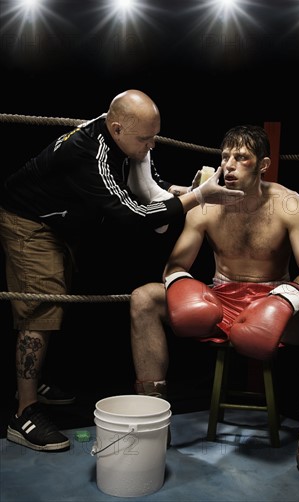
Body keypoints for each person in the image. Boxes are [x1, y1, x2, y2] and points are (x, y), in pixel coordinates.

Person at [0, 89, 245, 453]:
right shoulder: (89, 152)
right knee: (39, 310)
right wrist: (198, 198)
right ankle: (24, 412)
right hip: (29, 222)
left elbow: (150, 190)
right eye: (145, 139)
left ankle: (35, 384)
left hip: (59, 226)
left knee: (54, 305)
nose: (150, 146)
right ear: (116, 128)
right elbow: (131, 216)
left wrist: (185, 191)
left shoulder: (129, 145)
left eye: (154, 137)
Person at [130, 125, 299, 502]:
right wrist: (185, 291)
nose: (229, 166)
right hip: (220, 304)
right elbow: (174, 266)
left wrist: (282, 300)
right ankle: (153, 425)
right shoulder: (206, 204)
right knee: (143, 298)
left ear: (263, 165)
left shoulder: (288, 204)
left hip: (275, 306)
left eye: (241, 158)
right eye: (225, 157)